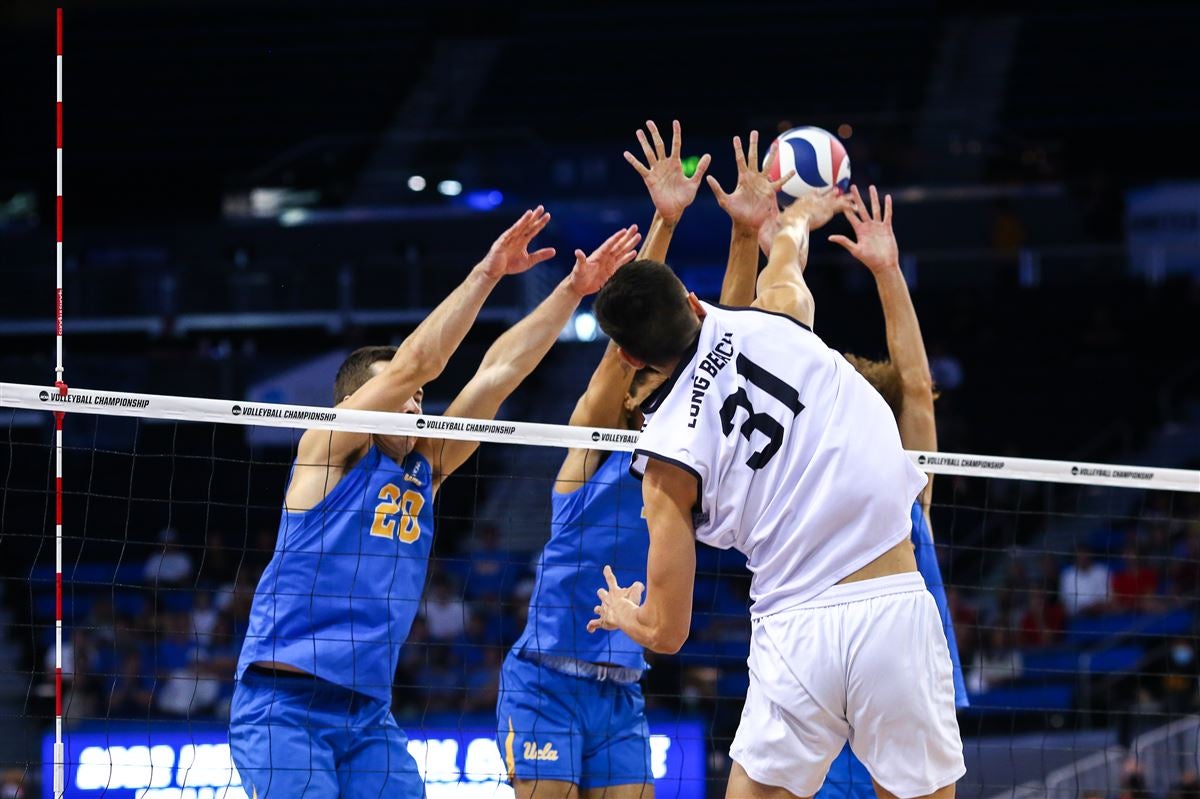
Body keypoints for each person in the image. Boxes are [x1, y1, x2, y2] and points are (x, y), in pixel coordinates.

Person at [229, 207, 642, 799]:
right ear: (357, 403)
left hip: (368, 714)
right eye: (400, 397)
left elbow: (497, 373)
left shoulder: (428, 469)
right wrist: (488, 273)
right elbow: (417, 362)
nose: (415, 404)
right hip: (282, 708)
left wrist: (572, 292)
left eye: (420, 398)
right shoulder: (326, 453)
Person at [589, 191, 965, 798]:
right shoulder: (777, 316)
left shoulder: (663, 459)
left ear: (631, 358)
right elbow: (785, 257)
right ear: (692, 300)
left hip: (795, 629)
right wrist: (795, 217)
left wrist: (624, 615)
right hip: (892, 603)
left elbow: (669, 631)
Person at [497, 120, 789, 799]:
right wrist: (664, 223)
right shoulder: (597, 444)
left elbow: (729, 335)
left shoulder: (687, 454)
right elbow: (623, 336)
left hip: (621, 687)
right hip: (548, 677)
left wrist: (745, 232)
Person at [801, 185, 970, 799]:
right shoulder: (822, 480)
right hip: (846, 682)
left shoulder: (902, 478)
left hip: (874, 679)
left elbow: (918, 388)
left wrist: (887, 270)